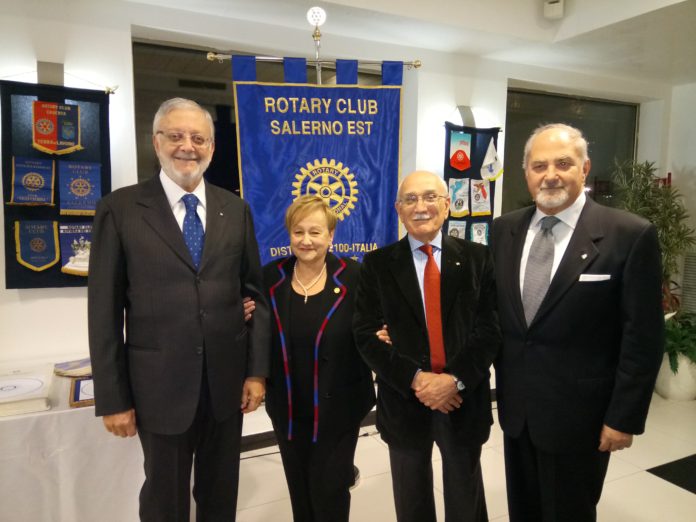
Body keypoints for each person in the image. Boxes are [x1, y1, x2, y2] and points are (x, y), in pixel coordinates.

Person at [88, 97, 270, 521]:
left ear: (212, 147)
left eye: (198, 138)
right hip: (159, 389)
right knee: (164, 502)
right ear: (156, 142)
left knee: (220, 497)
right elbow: (103, 313)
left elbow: (254, 295)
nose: (187, 146)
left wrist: (256, 372)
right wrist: (112, 399)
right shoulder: (120, 209)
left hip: (225, 386)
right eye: (176, 136)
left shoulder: (235, 209)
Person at [490, 123, 664, 521]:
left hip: (581, 418)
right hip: (518, 411)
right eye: (539, 166)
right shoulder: (504, 230)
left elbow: (643, 338)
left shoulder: (629, 234)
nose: (550, 175)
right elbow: (492, 312)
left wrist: (623, 418)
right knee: (524, 511)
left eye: (563, 163)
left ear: (584, 169)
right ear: (526, 173)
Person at [353, 171, 501, 522]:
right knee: (412, 501)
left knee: (466, 499)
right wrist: (418, 380)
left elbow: (490, 330)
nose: (421, 206)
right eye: (411, 199)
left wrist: (453, 380)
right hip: (405, 402)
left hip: (462, 399)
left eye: (430, 197)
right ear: (398, 209)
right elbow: (365, 334)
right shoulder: (376, 265)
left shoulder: (478, 258)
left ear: (447, 205)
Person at [262, 195, 375, 522]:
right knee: (300, 491)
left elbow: (372, 326)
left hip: (339, 407)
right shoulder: (271, 277)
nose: (306, 240)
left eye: (315, 232)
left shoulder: (355, 276)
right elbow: (256, 329)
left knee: (330, 492)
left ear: (331, 235)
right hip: (287, 407)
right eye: (298, 232)